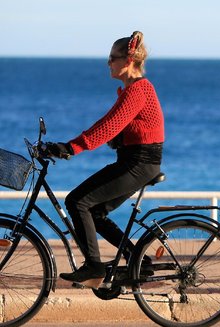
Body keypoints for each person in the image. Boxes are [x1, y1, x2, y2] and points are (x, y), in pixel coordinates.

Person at [45, 31, 165, 288]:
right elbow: (112, 125)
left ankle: (94, 267)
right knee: (95, 212)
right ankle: (137, 259)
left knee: (77, 201)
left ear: (128, 60)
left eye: (112, 58)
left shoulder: (139, 89)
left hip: (139, 164)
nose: (108, 63)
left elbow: (109, 126)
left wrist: (71, 147)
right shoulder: (130, 91)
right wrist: (70, 145)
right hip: (134, 161)